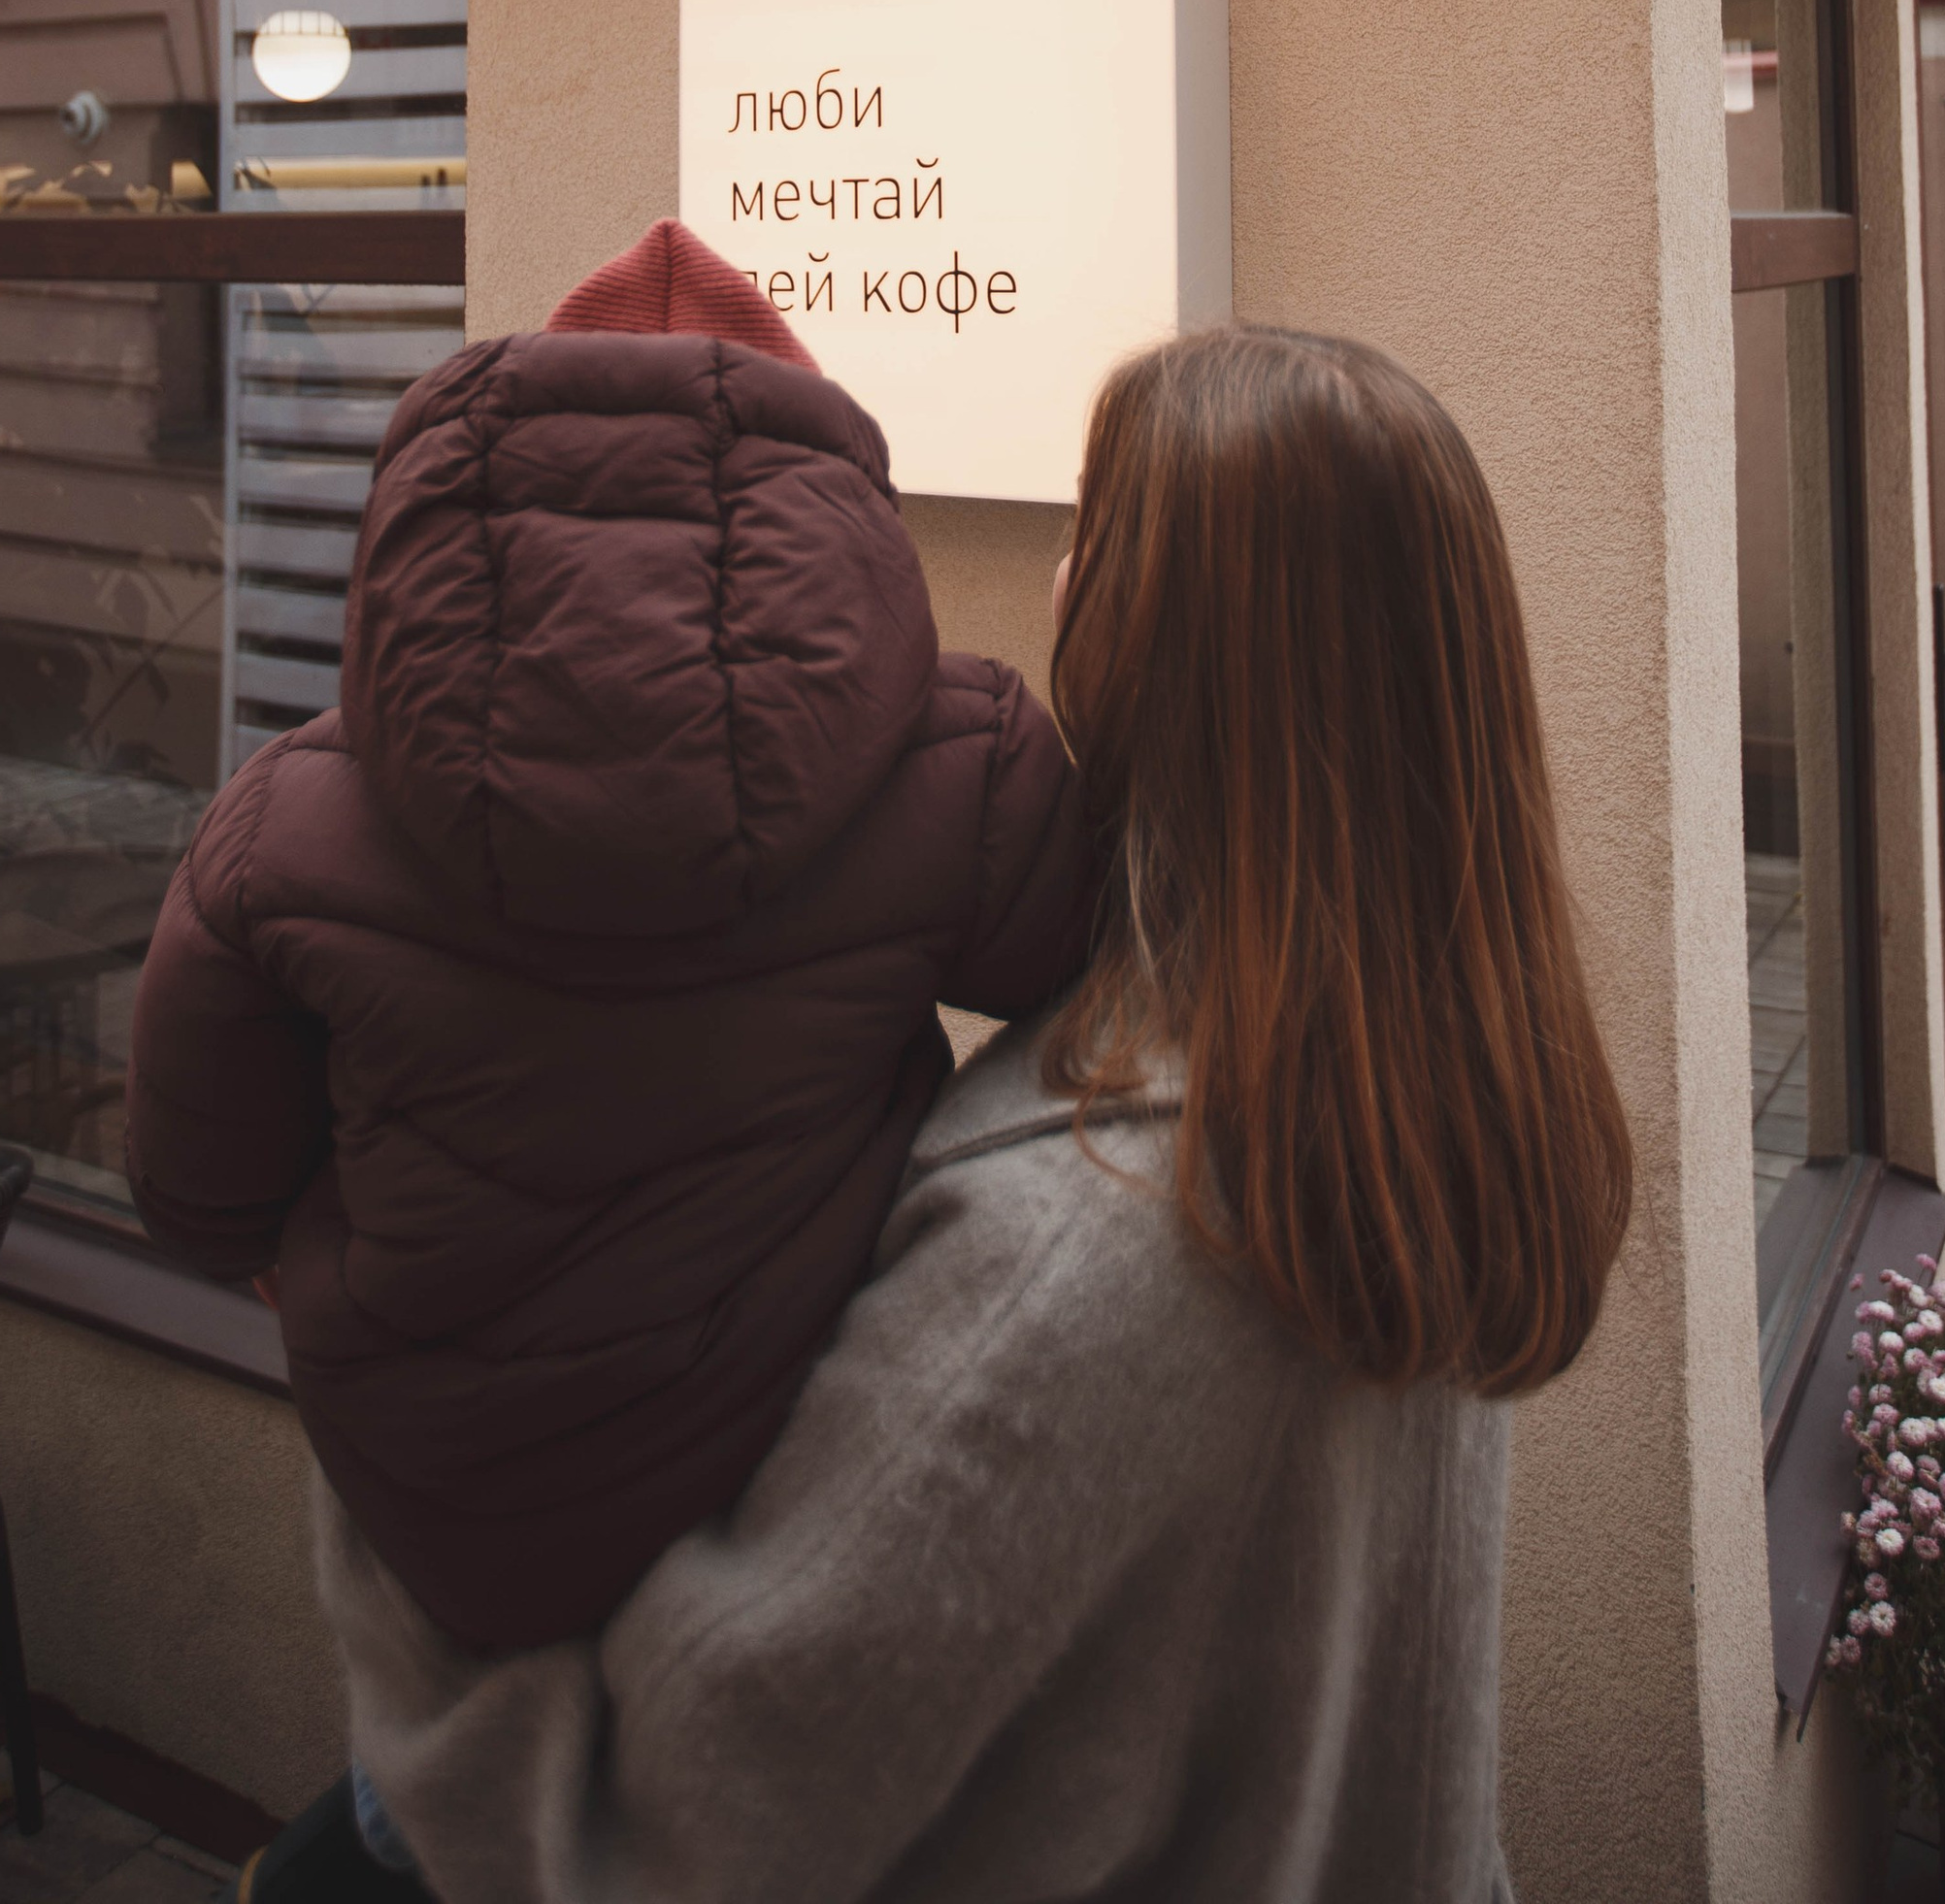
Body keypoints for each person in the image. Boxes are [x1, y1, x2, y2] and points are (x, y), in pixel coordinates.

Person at [313, 320, 1635, 1904]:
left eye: (1094, 525)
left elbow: (656, 1832)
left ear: (1162, 633)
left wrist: (383, 1431)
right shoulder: (1425, 1101)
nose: (1064, 572)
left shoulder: (1088, 1244)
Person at [121, 221, 1099, 1892]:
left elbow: (193, 1192)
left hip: (446, 1514)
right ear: (819, 496)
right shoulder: (976, 763)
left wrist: (321, 1260)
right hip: (788, 1481)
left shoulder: (289, 812)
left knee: (422, 1824)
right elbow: (1089, 993)